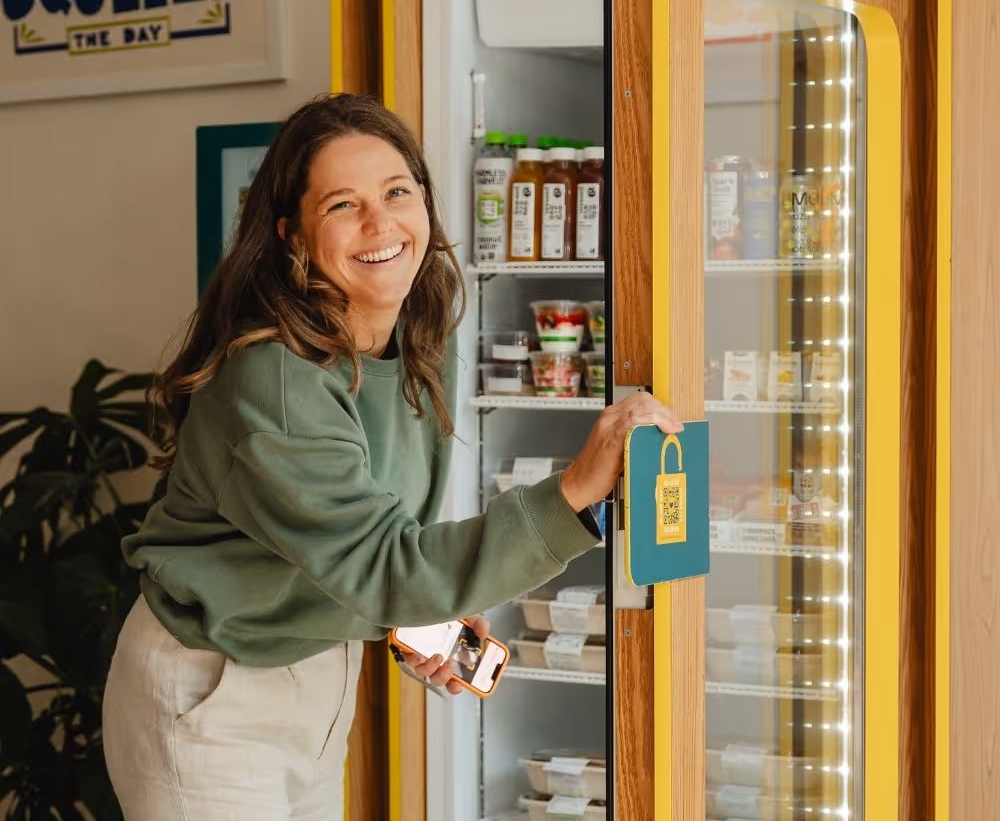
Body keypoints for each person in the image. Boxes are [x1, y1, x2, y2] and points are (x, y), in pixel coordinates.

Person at [102, 93, 682, 820]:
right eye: (343, 204)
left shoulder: (410, 347)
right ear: (291, 237)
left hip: (315, 672)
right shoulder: (274, 382)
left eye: (397, 192)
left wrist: (418, 619)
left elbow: (362, 544)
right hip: (213, 688)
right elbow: (382, 565)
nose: (381, 223)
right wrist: (572, 491)